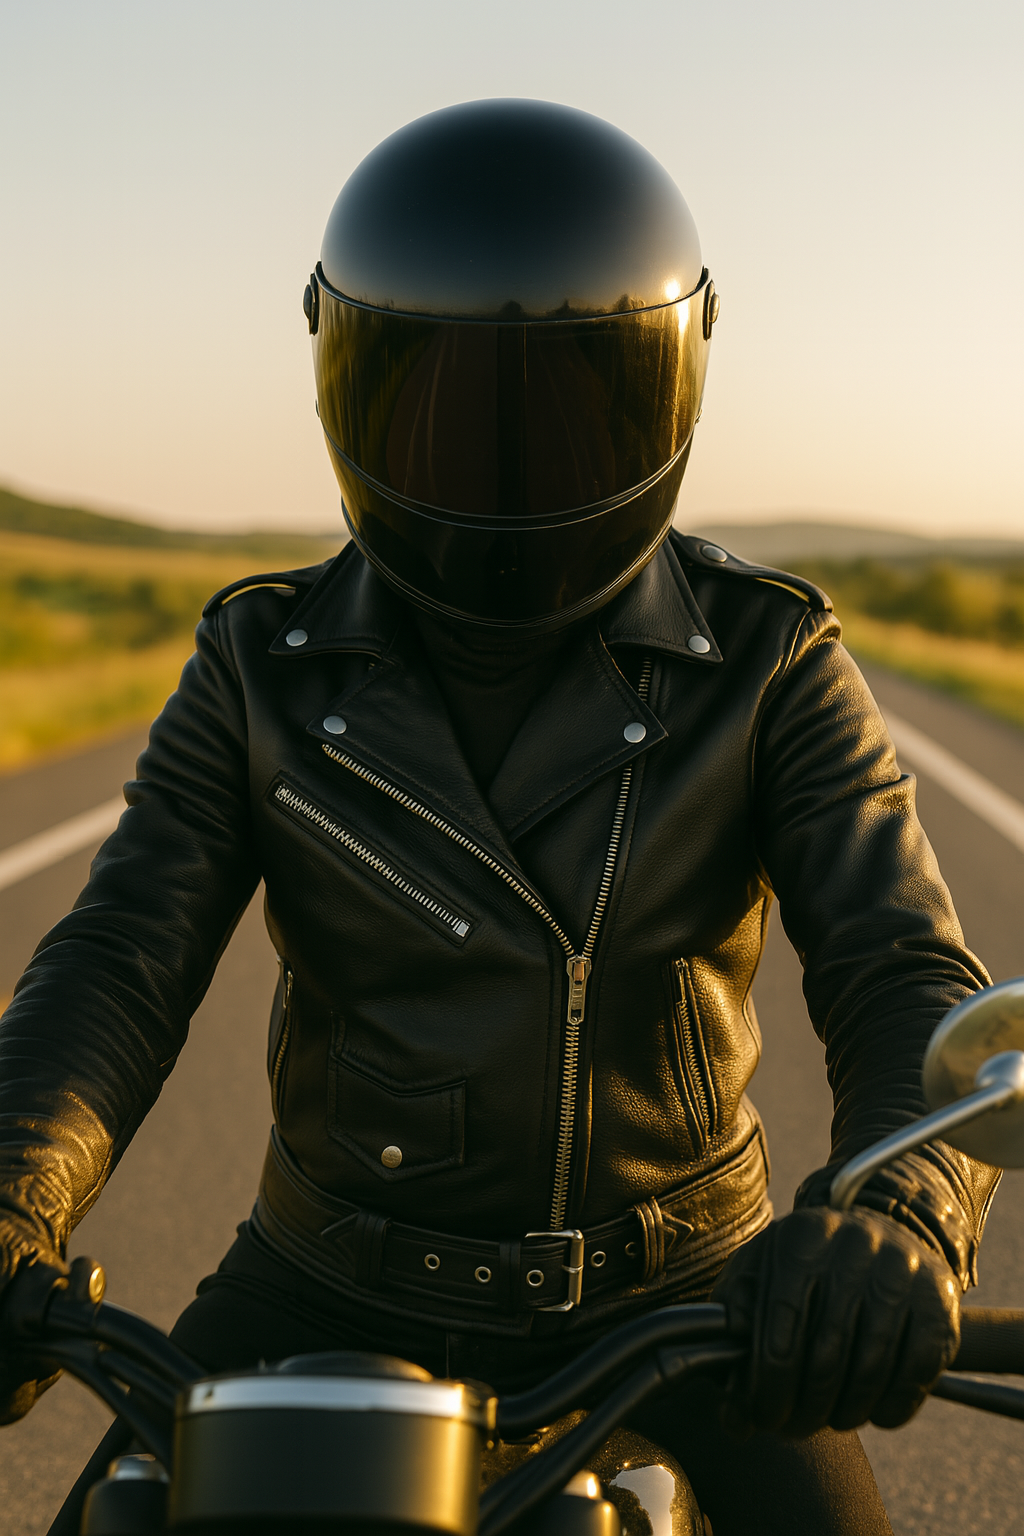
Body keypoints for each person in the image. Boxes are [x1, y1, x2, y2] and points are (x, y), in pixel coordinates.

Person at [0, 100, 999, 1534]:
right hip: (326, 1275)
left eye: (573, 404)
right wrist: (14, 1190)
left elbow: (901, 969)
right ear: (352, 379)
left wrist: (895, 1222)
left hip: (684, 1298)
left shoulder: (771, 662)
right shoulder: (259, 663)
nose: (508, 466)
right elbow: (121, 957)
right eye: (446, 400)